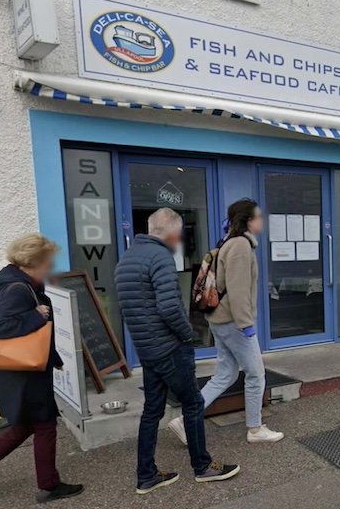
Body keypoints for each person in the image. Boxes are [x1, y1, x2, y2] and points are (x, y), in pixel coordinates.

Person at [116, 207, 241, 495]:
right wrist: (188, 335)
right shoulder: (160, 257)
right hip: (170, 347)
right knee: (193, 404)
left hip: (147, 349)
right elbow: (169, 307)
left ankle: (146, 475)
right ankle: (203, 467)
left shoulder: (127, 260)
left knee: (152, 410)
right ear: (173, 233)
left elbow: (131, 309)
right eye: (180, 234)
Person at [0, 233, 83, 505]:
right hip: (24, 375)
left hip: (20, 373)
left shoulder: (21, 284)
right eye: (48, 262)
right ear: (34, 263)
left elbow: (31, 336)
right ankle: (49, 486)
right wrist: (36, 315)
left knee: (23, 427)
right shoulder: (19, 289)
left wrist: (53, 356)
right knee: (45, 424)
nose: (51, 267)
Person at [169, 198, 284, 445]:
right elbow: (238, 290)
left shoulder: (229, 242)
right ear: (249, 221)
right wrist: (246, 325)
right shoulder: (240, 245)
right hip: (234, 322)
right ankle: (255, 429)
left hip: (220, 319)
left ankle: (186, 420)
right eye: (259, 216)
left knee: (225, 374)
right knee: (256, 374)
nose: (262, 220)